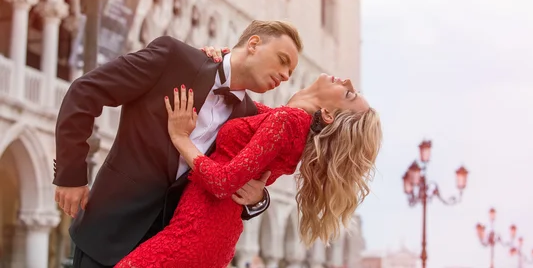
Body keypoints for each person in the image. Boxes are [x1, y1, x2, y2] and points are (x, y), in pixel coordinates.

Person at [52, 20, 303, 268]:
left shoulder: (249, 117)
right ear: (254, 44)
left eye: (290, 73)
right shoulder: (174, 59)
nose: (284, 76)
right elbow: (86, 91)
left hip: (170, 251)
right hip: (108, 231)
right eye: (282, 60)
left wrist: (258, 199)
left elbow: (229, 181)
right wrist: (70, 175)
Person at [115, 71, 382, 267]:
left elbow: (223, 182)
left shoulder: (288, 121)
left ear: (327, 114)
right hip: (210, 234)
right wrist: (217, 58)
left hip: (196, 233)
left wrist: (180, 138)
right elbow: (237, 110)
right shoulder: (290, 121)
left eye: (349, 93)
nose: (347, 81)